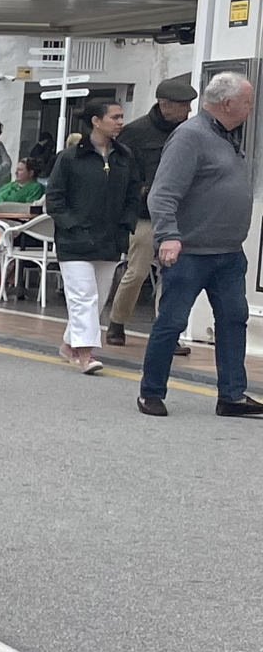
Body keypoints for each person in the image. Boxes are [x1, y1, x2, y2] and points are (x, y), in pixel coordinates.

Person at [138, 71, 263, 418]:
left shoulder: (228, 136)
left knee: (234, 321)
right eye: (248, 101)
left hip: (227, 253)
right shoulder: (190, 136)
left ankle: (232, 395)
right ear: (227, 104)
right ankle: (151, 392)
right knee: (172, 321)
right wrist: (168, 235)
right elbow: (163, 192)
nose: (252, 107)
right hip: (190, 251)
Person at [43, 99, 142, 375]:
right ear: (96, 121)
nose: (120, 122)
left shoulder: (124, 156)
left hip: (110, 239)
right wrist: (72, 226)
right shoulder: (70, 157)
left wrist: (127, 223)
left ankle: (68, 344)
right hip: (74, 241)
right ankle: (86, 353)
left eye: (122, 117)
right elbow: (55, 198)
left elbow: (135, 192)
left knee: (97, 298)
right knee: (83, 296)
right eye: (115, 117)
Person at [106, 74, 197, 352]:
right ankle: (117, 322)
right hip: (144, 213)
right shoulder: (135, 132)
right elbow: (121, 170)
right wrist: (139, 190)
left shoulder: (188, 131)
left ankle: (167, 332)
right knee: (138, 271)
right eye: (183, 105)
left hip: (179, 213)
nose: (189, 110)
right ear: (164, 104)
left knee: (174, 275)